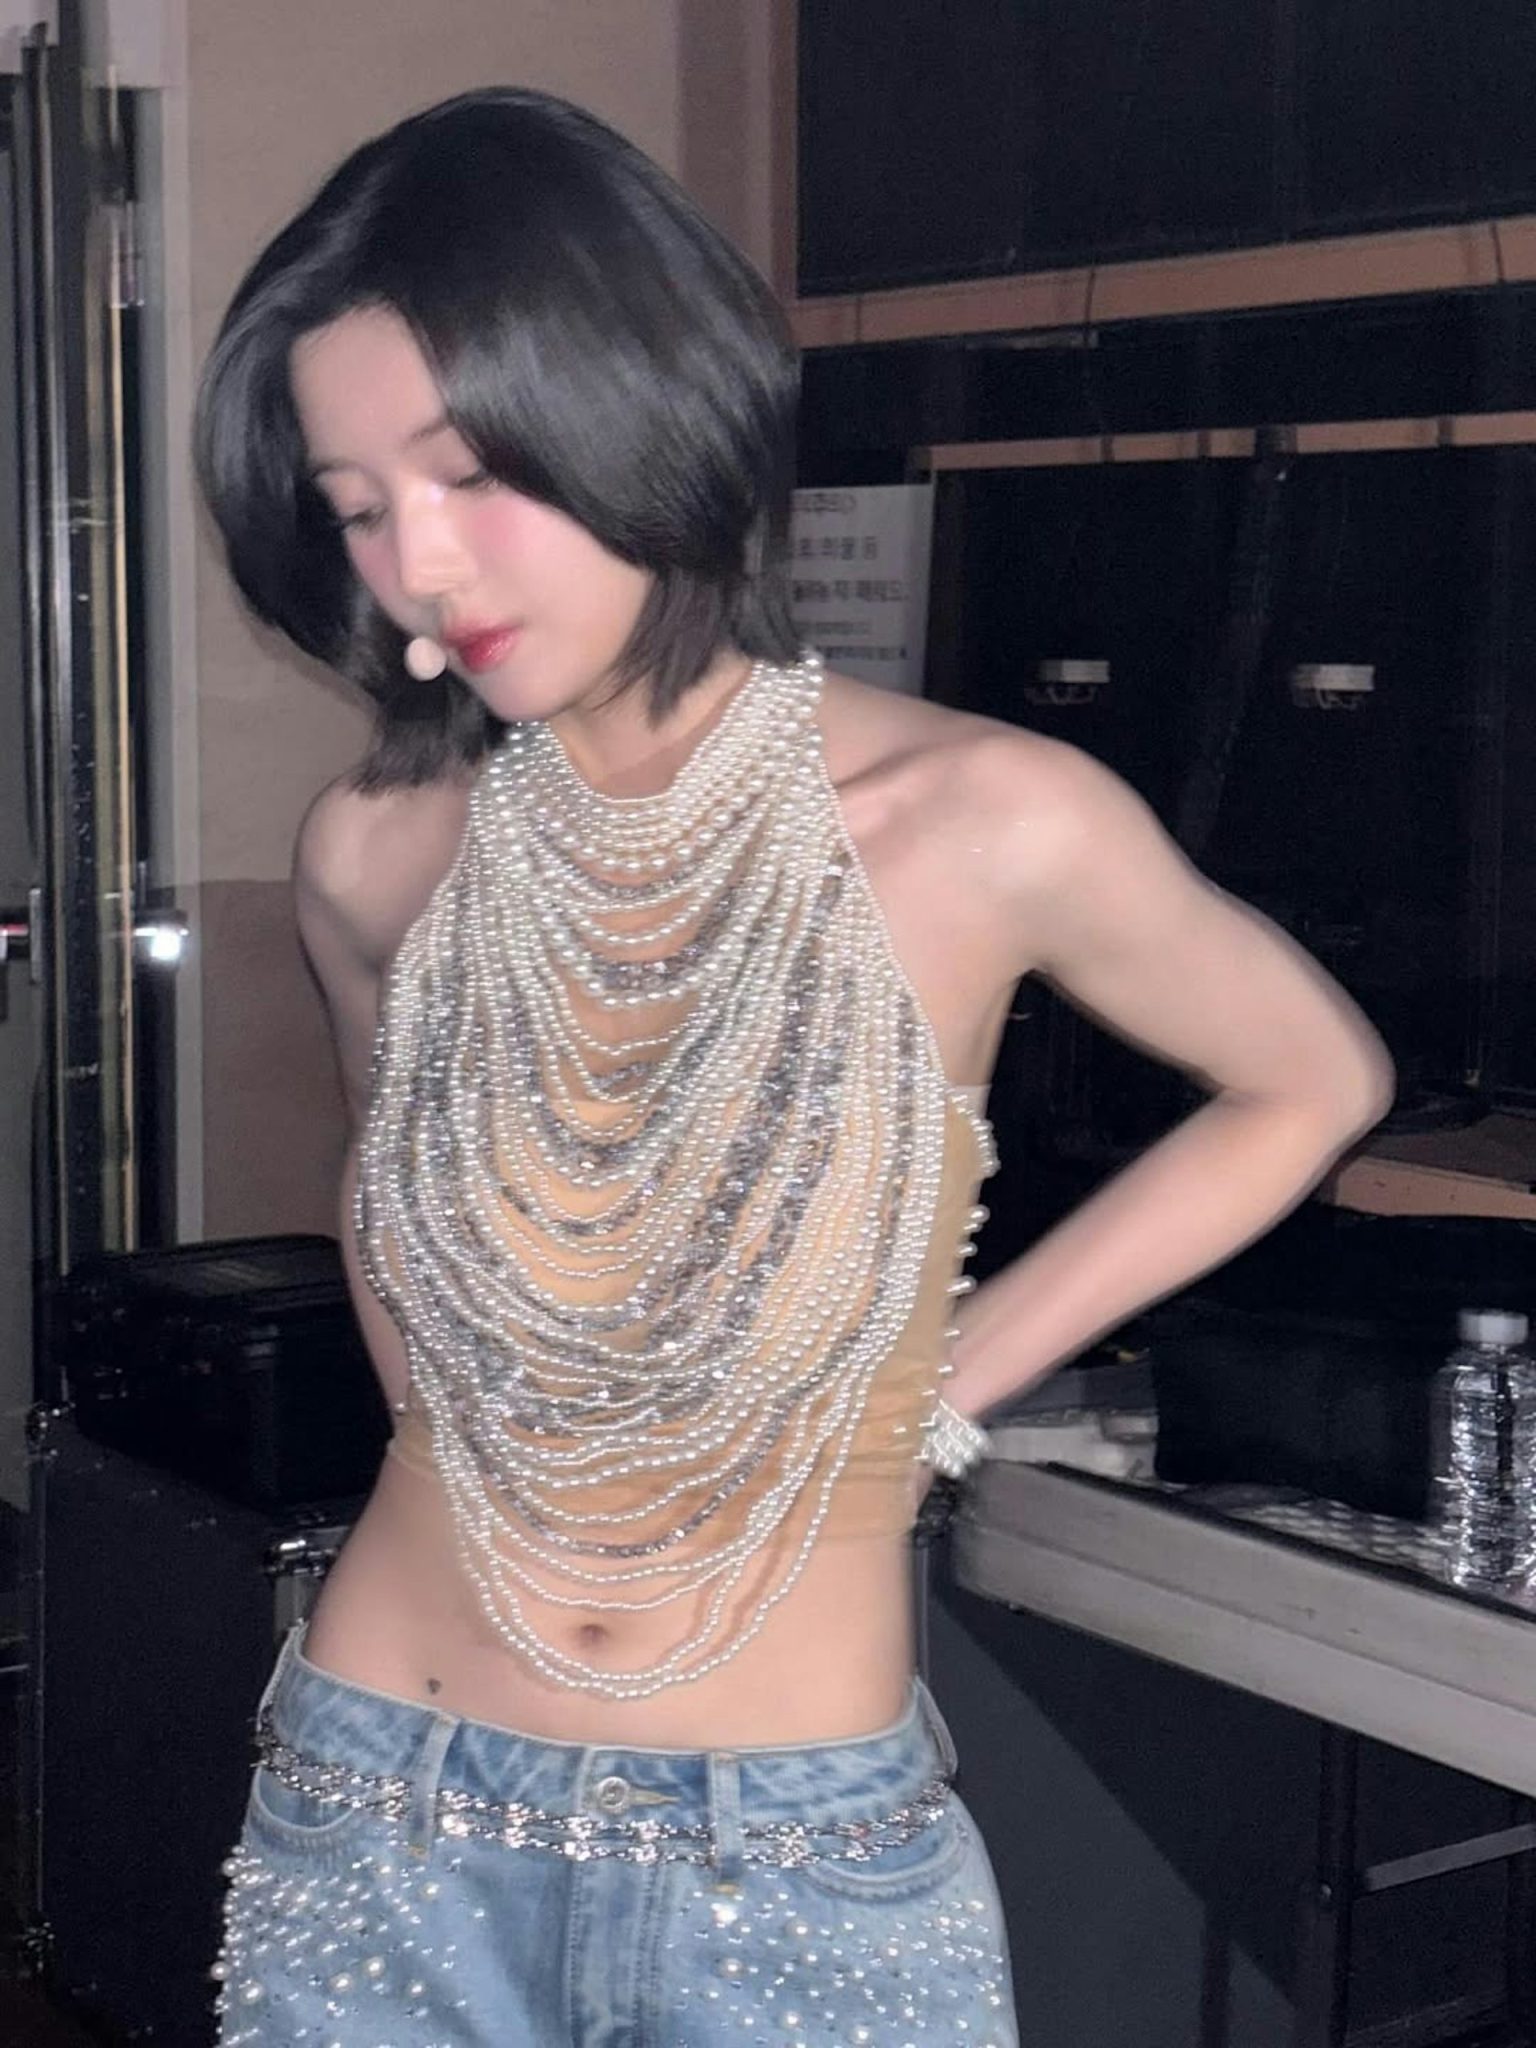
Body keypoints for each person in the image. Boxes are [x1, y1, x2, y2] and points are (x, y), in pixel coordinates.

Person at [196, 87, 1392, 2047]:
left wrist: (935, 1390)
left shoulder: (980, 819)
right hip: (383, 1812)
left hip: (796, 1860)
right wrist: (495, 1457)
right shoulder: (378, 851)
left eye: (471, 472)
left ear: (636, 407)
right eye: (356, 505)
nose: (422, 564)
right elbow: (391, 1183)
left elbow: (1312, 1077)